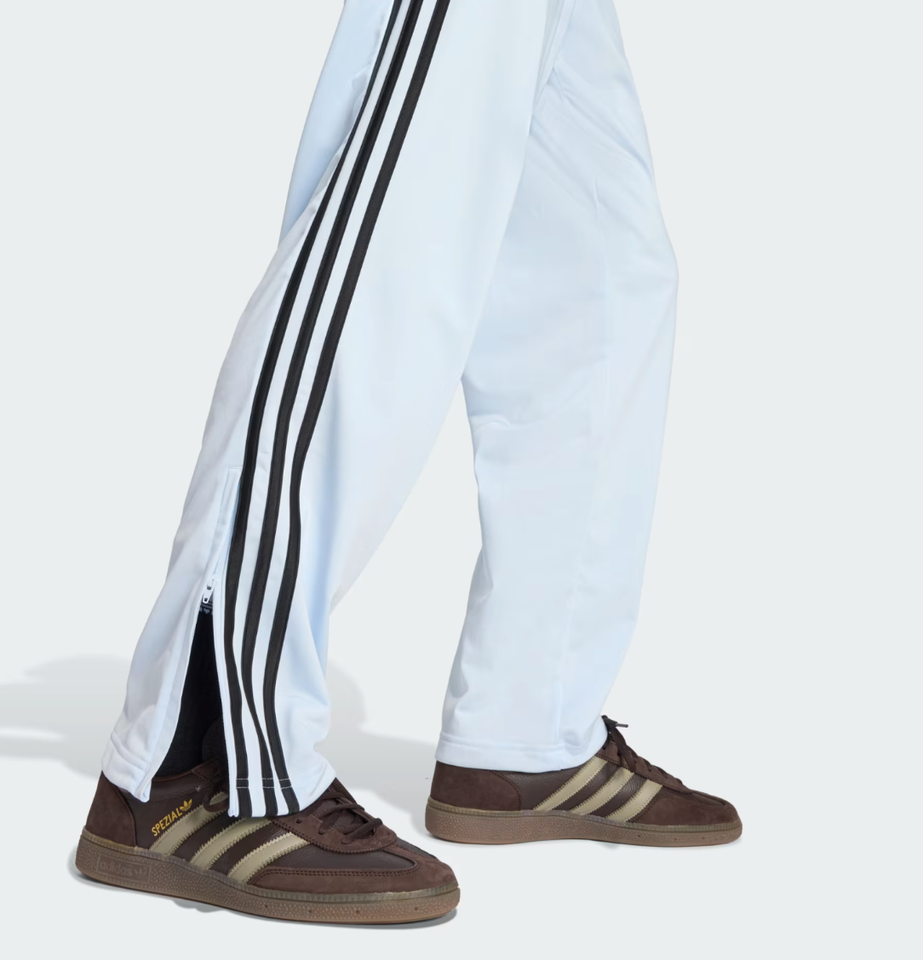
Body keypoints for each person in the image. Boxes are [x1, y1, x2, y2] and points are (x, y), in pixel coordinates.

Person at [77, 0, 740, 924]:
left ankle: (527, 732)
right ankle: (199, 760)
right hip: (193, 770)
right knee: (402, 216)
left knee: (598, 270)